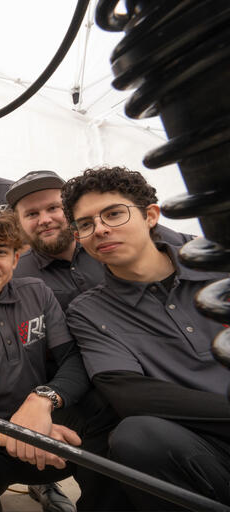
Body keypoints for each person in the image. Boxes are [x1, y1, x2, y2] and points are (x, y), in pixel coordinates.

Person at [62, 166, 230, 510]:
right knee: (135, 437)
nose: (101, 229)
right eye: (86, 223)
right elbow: (131, 393)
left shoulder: (217, 263)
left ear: (150, 215)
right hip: (205, 447)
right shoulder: (89, 311)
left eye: (113, 213)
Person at [0, 204, 113, 512]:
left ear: (15, 259)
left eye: (1, 251)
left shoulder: (36, 292)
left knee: (109, 423)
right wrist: (13, 434)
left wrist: (44, 399)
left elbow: (74, 360)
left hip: (48, 424)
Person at [8, 170, 194, 310]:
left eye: (53, 208)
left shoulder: (128, 237)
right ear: (18, 222)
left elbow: (195, 249)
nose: (45, 220)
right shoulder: (14, 276)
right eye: (32, 214)